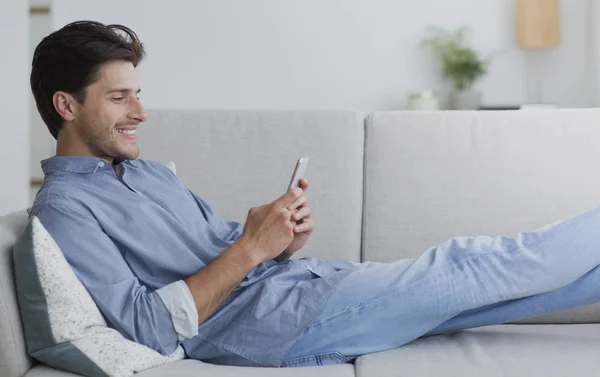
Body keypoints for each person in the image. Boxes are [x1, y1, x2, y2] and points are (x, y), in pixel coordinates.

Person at [29, 21, 600, 368]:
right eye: (120, 99)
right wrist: (252, 250)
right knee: (478, 263)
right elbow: (144, 327)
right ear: (67, 105)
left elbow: (226, 247)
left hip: (303, 287)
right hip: (277, 324)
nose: (141, 112)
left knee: (508, 296)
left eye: (138, 94)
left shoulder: (148, 172)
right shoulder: (64, 210)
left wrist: (278, 240)